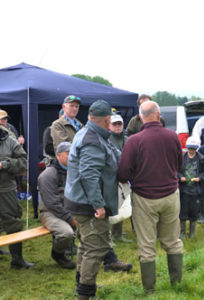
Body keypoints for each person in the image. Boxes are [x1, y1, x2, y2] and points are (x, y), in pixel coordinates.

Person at [51, 95, 130, 274]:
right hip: (87, 204)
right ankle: (86, 291)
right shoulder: (91, 139)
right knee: (94, 249)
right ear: (108, 119)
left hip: (81, 200)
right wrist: (99, 205)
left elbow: (115, 154)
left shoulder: (95, 134)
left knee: (87, 246)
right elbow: (89, 175)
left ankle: (83, 284)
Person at [118, 101, 183, 293]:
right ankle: (177, 285)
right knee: (173, 241)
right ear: (158, 114)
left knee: (146, 245)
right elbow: (180, 165)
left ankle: (149, 291)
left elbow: (122, 173)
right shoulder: (173, 136)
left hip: (144, 197)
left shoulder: (134, 141)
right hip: (171, 195)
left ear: (140, 118)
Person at [38, 142, 76, 269]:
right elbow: (52, 204)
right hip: (49, 212)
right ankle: (58, 254)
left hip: (68, 209)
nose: (72, 156)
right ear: (59, 156)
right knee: (66, 233)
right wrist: (70, 219)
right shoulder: (47, 175)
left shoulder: (73, 170)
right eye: (68, 153)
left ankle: (93, 255)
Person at [0, 126, 34, 269]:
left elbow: (23, 162)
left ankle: (17, 260)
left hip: (6, 189)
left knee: (13, 222)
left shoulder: (10, 141)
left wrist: (6, 164)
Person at [178, 136, 204, 238]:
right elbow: (176, 170)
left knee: (194, 211)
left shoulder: (201, 159)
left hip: (196, 190)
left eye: (193, 149)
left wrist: (199, 178)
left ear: (196, 149)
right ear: (187, 148)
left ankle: (192, 233)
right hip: (184, 190)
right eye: (190, 148)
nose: (191, 151)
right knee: (183, 211)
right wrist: (180, 177)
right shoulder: (181, 158)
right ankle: (182, 232)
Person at [108, 113, 132, 243]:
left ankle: (118, 234)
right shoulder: (106, 139)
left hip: (125, 177)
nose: (117, 126)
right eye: (114, 124)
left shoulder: (128, 139)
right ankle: (108, 236)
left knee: (122, 204)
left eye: (119, 124)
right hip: (110, 178)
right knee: (109, 207)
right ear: (109, 126)